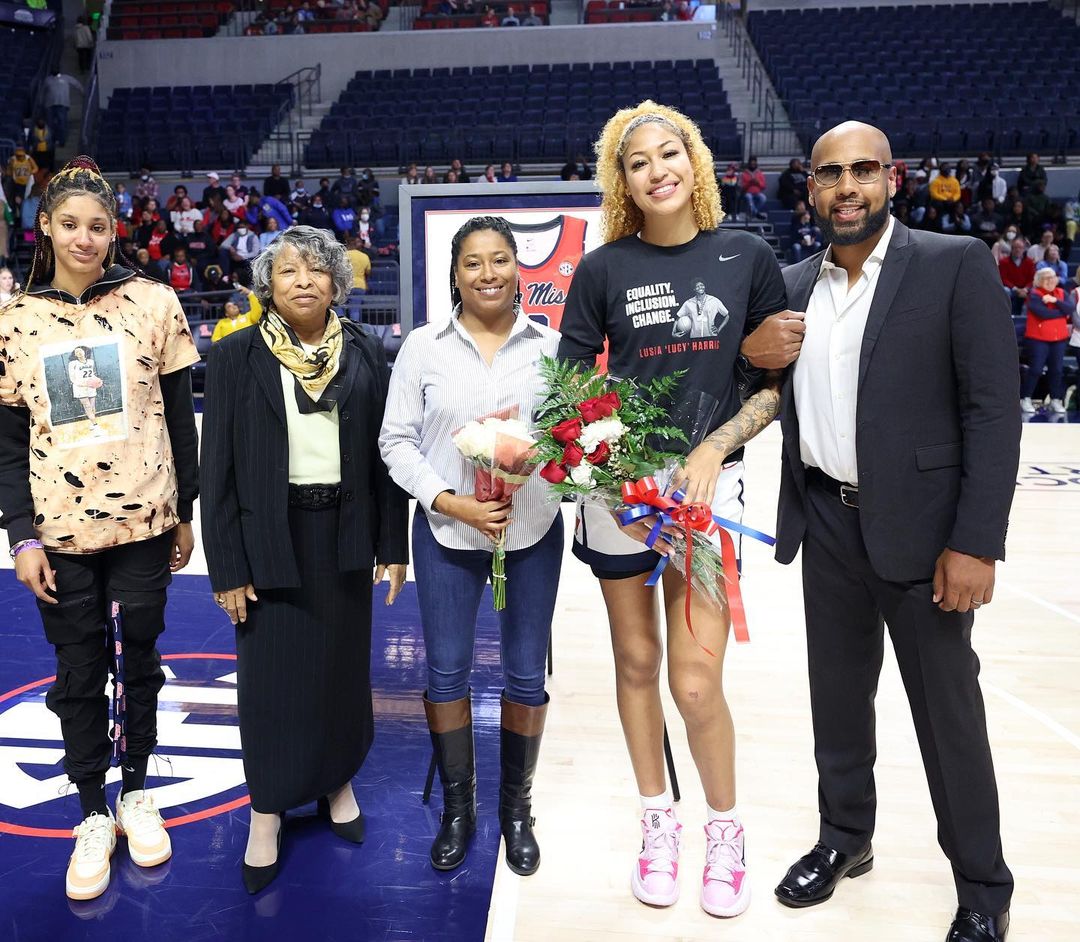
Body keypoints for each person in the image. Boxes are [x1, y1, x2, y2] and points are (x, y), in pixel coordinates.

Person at [759, 121, 1016, 942]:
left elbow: (991, 412)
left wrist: (976, 541)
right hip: (826, 519)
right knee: (837, 704)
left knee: (949, 719)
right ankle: (845, 839)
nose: (846, 187)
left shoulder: (953, 265)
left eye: (862, 171)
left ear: (891, 177)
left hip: (927, 534)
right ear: (812, 187)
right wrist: (756, 353)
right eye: (829, 173)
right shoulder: (793, 284)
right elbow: (758, 392)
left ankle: (983, 885)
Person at [558, 101, 795, 919]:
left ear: (694, 160)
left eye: (671, 153)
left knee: (696, 686)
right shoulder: (602, 268)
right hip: (619, 495)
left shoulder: (745, 254)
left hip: (702, 491)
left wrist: (711, 447)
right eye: (638, 162)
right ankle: (658, 823)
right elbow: (571, 389)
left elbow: (771, 385)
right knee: (634, 664)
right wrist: (615, 474)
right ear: (619, 182)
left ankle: (724, 833)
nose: (657, 170)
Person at [0, 157, 199, 901]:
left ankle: (137, 790)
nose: (86, 238)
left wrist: (187, 511)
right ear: (45, 227)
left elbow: (182, 420)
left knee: (141, 659)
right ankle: (91, 808)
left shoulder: (153, 303)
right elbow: (6, 443)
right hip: (59, 536)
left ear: (115, 232)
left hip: (148, 520)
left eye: (99, 226)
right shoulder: (14, 323)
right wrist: (20, 535)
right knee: (79, 672)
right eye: (71, 224)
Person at [200, 225, 408, 894]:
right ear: (269, 282)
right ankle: (266, 809)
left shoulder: (367, 353)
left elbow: (385, 456)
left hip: (344, 532)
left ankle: (335, 781)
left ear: (337, 283)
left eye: (318, 270)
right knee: (269, 680)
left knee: (339, 671)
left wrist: (392, 546)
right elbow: (218, 473)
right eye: (288, 270)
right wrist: (226, 566)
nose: (303, 281)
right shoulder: (235, 358)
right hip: (269, 537)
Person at [380, 216, 562, 877]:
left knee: (524, 676)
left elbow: (573, 438)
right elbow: (394, 442)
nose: (488, 273)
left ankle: (517, 810)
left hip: (533, 533)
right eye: (473, 263)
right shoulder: (423, 348)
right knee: (446, 673)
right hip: (448, 534)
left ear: (520, 267)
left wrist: (562, 464)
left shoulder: (553, 347)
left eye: (500, 260)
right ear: (453, 274)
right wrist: (449, 500)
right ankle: (461, 808)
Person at [1019, 266, 1075, 414]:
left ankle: (1055, 400)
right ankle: (1025, 398)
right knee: (1036, 369)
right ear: (1039, 281)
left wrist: (1055, 300)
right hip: (1038, 338)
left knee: (1056, 370)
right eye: (1046, 278)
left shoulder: (1061, 293)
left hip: (1059, 338)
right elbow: (1042, 313)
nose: (1051, 281)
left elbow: (1070, 308)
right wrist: (1061, 313)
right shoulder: (1034, 294)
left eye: (1052, 278)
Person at [999, 235, 1035, 318]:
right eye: (1015, 247)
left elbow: (1032, 280)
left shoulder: (1030, 262)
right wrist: (1016, 289)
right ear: (1012, 249)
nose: (1018, 250)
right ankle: (1005, 316)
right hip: (1011, 288)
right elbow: (1003, 278)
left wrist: (1025, 289)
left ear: (1024, 249)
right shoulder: (1004, 262)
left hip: (1025, 289)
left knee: (1035, 292)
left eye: (1020, 248)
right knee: (1005, 290)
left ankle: (1024, 318)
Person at [739, 155, 767, 219]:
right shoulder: (744, 174)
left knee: (763, 198)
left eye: (754, 163)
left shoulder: (759, 173)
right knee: (749, 197)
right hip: (748, 192)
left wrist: (758, 183)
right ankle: (757, 214)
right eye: (751, 163)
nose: (753, 165)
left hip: (757, 192)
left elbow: (764, 186)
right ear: (749, 164)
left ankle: (753, 213)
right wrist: (750, 182)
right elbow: (743, 187)